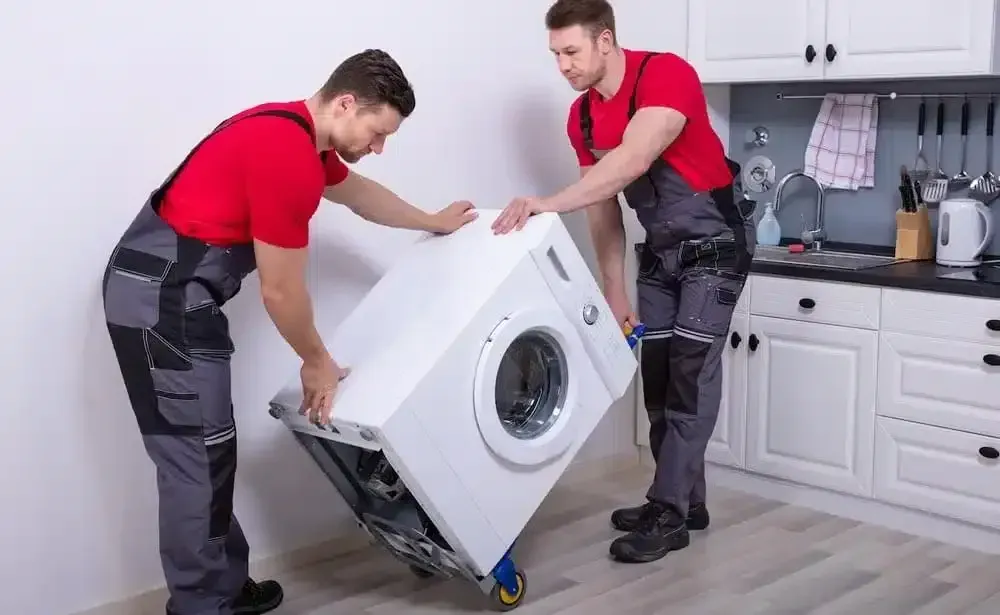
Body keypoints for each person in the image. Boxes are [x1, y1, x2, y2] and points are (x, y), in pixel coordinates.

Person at [102, 49, 477, 615]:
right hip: (163, 301)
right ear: (346, 103)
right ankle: (202, 605)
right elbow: (281, 291)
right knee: (195, 459)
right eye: (378, 132)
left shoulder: (294, 130)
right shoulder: (287, 158)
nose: (379, 148)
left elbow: (358, 195)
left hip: (169, 292)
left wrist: (431, 220)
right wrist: (317, 360)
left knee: (208, 449)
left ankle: (221, 586)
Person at [492, 0, 755, 564]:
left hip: (715, 248)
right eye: (555, 54)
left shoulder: (665, 75)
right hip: (661, 255)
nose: (562, 65)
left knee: (689, 375)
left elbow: (633, 160)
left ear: (605, 40)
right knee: (657, 378)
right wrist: (612, 289)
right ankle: (687, 500)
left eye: (571, 51)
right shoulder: (582, 117)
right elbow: (603, 206)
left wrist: (546, 204)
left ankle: (668, 514)